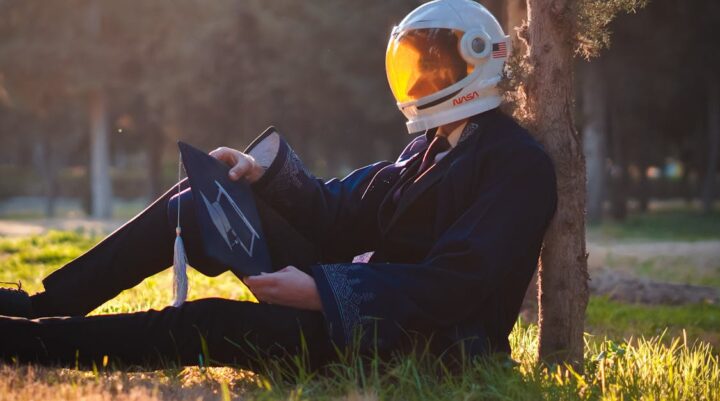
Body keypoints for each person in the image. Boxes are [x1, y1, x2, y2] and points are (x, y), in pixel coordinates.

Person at [0, 0, 556, 369]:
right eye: (414, 65)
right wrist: (258, 175)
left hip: (416, 346)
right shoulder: (431, 143)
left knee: (210, 323)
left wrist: (321, 292)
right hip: (361, 306)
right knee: (202, 203)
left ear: (478, 62)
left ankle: (25, 343)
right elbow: (341, 212)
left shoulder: (517, 166)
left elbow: (453, 286)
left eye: (433, 65)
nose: (420, 79)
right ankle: (40, 306)